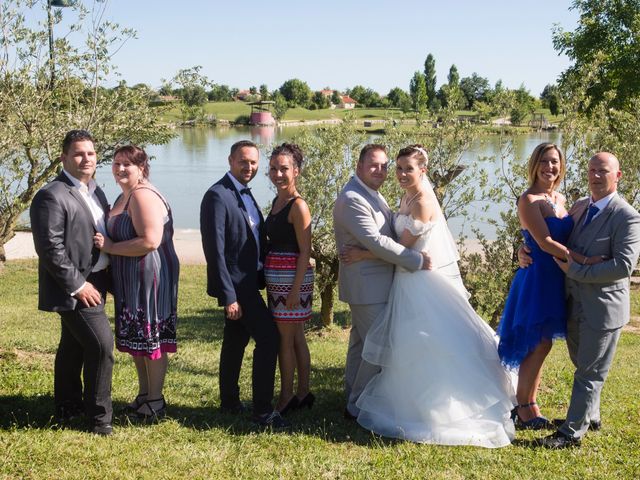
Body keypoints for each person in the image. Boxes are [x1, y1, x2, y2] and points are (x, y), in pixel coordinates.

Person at [341, 145, 515, 447]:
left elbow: (401, 247)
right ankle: (359, 398)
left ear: (423, 169)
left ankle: (425, 403)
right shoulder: (402, 196)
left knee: (423, 341)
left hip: (419, 278)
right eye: (398, 168)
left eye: (408, 168)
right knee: (399, 341)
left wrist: (362, 254)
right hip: (405, 278)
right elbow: (391, 241)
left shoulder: (421, 201)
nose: (400, 174)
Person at [518, 152, 640, 449]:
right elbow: (552, 239)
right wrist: (525, 248)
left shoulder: (627, 216)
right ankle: (591, 415)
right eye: (592, 170)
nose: (596, 176)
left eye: (604, 171)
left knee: (589, 372)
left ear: (618, 176)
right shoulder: (580, 207)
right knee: (582, 363)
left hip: (603, 307)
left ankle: (570, 434)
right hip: (572, 302)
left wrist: (578, 269)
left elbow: (623, 266)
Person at [333, 144, 430, 420]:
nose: (381, 170)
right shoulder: (353, 198)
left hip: (375, 281)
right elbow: (377, 241)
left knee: (362, 345)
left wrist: (367, 254)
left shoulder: (372, 194)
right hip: (367, 286)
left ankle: (353, 396)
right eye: (374, 164)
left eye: (385, 165)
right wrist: (417, 260)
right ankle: (358, 404)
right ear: (359, 167)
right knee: (380, 345)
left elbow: (382, 238)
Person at [30, 129, 114, 436]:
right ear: (64, 157)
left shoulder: (95, 191)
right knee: (102, 345)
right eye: (78, 153)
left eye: (91, 153)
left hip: (98, 280)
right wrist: (78, 286)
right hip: (77, 287)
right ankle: (99, 420)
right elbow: (49, 248)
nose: (86, 159)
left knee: (73, 346)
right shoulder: (51, 195)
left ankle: (68, 406)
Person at [200, 140, 287, 429]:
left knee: (235, 341)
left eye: (253, 162)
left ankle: (229, 401)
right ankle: (263, 411)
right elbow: (215, 250)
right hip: (238, 287)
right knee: (269, 339)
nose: (248, 167)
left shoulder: (244, 194)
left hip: (250, 281)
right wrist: (229, 297)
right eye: (243, 161)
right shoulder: (217, 195)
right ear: (230, 160)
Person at [93, 145, 179, 420]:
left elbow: (150, 241)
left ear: (141, 168)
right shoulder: (124, 195)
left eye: (126, 165)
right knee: (138, 339)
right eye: (116, 163)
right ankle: (144, 394)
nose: (119, 169)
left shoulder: (142, 196)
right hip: (129, 276)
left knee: (150, 338)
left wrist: (109, 247)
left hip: (149, 276)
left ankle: (155, 401)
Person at [497, 143, 579, 429]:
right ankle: (522, 408)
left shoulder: (559, 198)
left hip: (556, 279)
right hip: (536, 278)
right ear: (534, 165)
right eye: (544, 161)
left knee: (543, 346)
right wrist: (585, 260)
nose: (550, 167)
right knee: (537, 342)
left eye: (555, 162)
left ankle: (531, 404)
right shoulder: (529, 199)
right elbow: (544, 242)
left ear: (561, 165)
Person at [264, 143, 315, 414]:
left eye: (284, 168)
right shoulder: (277, 201)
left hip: (292, 280)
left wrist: (295, 291)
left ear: (296, 171)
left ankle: (286, 397)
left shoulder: (298, 206)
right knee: (295, 338)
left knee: (287, 340)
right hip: (279, 280)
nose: (278, 174)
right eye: (273, 168)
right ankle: (303, 393)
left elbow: (305, 250)